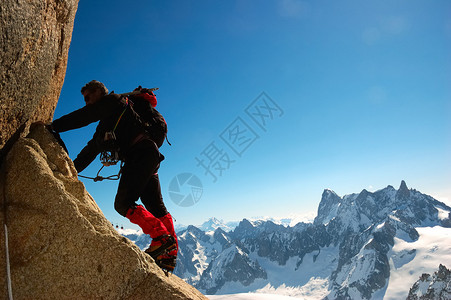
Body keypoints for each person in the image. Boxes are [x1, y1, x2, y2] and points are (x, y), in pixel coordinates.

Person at [50, 80, 178, 272]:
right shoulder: (107, 124)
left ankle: (161, 239)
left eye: (88, 97)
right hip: (148, 154)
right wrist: (70, 170)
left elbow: (85, 116)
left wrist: (55, 126)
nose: (86, 102)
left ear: (99, 93)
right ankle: (169, 255)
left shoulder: (114, 101)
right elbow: (89, 151)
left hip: (140, 154)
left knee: (123, 203)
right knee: (156, 206)